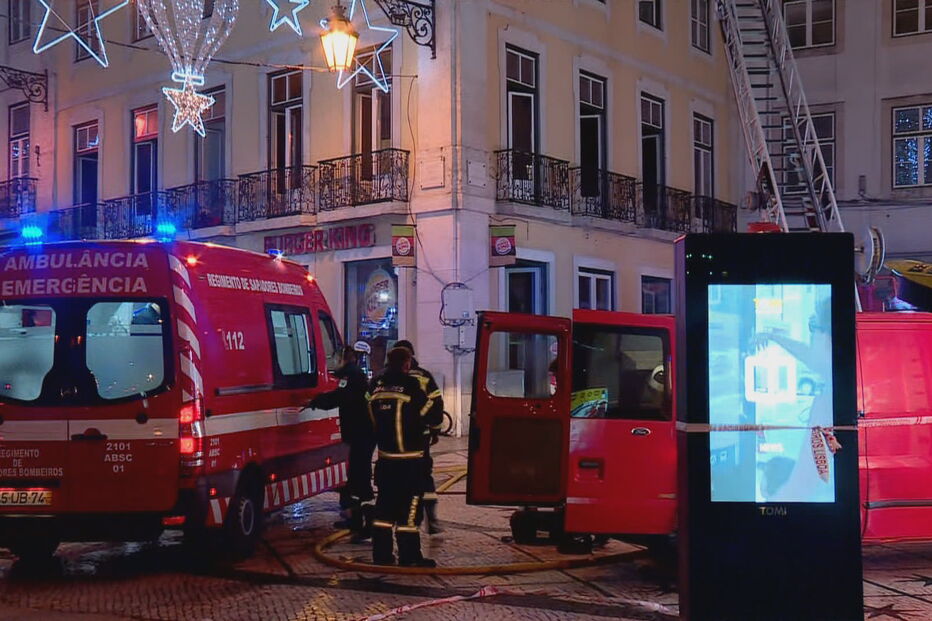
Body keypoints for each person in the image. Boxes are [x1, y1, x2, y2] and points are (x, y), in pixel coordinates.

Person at [368, 347, 441, 566]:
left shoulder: (377, 386)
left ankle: (381, 555)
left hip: (385, 460)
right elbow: (433, 415)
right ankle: (410, 556)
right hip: (410, 462)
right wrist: (426, 429)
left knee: (383, 509)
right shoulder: (411, 386)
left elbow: (371, 417)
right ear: (407, 363)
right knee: (410, 511)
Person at [308, 345, 375, 537]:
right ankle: (356, 521)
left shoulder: (350, 375)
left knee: (359, 478)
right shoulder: (354, 374)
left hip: (361, 434)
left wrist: (317, 401)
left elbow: (341, 397)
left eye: (336, 357)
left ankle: (367, 524)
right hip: (362, 433)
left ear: (345, 358)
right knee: (355, 478)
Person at [394, 339, 445, 534]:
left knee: (399, 480)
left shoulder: (387, 378)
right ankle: (430, 520)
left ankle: (402, 519)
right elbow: (436, 403)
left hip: (393, 442)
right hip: (419, 437)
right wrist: (434, 429)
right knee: (423, 477)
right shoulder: (424, 377)